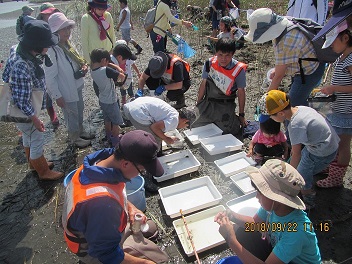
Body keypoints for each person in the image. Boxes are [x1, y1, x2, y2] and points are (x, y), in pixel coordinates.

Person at [62, 130, 168, 264]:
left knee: (151, 229)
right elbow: (107, 254)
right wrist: (144, 263)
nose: (141, 174)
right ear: (125, 164)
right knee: (161, 260)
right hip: (91, 249)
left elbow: (113, 192)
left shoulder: (99, 164)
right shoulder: (102, 204)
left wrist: (131, 208)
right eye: (142, 170)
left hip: (102, 226)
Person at [215, 159, 321, 263]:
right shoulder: (273, 208)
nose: (257, 196)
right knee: (241, 232)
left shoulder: (297, 232)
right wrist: (232, 216)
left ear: (277, 198)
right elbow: (255, 224)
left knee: (237, 236)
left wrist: (231, 241)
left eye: (260, 193)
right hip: (282, 254)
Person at [2, 20, 63, 180]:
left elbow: (4, 75)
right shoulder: (22, 65)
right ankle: (43, 171)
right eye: (45, 45)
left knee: (27, 136)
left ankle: (33, 163)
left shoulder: (17, 49)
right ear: (35, 45)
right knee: (36, 137)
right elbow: (22, 101)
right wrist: (35, 118)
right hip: (24, 110)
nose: (47, 47)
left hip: (24, 106)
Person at [259, 90, 339, 208]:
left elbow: (297, 154)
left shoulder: (295, 125)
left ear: (281, 114)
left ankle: (308, 198)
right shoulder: (300, 108)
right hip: (330, 142)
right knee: (301, 163)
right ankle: (317, 169)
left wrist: (288, 175)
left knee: (301, 176)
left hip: (321, 151)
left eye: (271, 116)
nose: (271, 119)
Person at [245, 8, 326, 107]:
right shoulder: (284, 25)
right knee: (297, 98)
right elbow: (286, 61)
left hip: (310, 71)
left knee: (294, 104)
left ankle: (303, 119)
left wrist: (266, 101)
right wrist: (277, 70)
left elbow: (278, 77)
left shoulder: (286, 40)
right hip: (301, 66)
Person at [45, 13, 94, 148]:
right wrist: (57, 95)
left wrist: (83, 66)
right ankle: (74, 137)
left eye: (68, 28)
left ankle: (80, 130)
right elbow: (49, 77)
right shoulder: (52, 50)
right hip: (65, 89)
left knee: (79, 109)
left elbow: (77, 60)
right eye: (63, 29)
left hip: (76, 84)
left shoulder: (68, 44)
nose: (67, 31)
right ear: (55, 31)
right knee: (71, 113)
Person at [316, 20, 352, 188]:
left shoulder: (350, 59)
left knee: (343, 144)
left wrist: (333, 87)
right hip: (338, 108)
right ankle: (332, 168)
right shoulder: (341, 57)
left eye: (333, 43)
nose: (331, 47)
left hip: (347, 111)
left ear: (345, 38)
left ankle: (336, 177)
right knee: (336, 141)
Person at [193, 37, 247, 137]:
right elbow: (203, 84)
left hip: (225, 104)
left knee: (228, 131)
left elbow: (241, 92)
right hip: (209, 102)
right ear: (216, 52)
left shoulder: (238, 70)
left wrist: (241, 114)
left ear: (233, 55)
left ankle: (233, 119)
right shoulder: (209, 63)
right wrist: (198, 103)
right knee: (194, 124)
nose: (223, 59)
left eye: (227, 55)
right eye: (220, 55)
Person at [123, 97, 190, 152]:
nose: (183, 127)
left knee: (157, 135)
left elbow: (159, 127)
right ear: (185, 121)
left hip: (133, 105)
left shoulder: (174, 113)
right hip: (138, 113)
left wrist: (166, 137)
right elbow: (154, 127)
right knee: (154, 140)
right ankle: (152, 157)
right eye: (186, 126)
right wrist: (166, 138)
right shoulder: (175, 121)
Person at [90, 48, 126, 147]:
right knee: (115, 122)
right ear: (103, 60)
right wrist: (117, 69)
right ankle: (116, 142)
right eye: (107, 60)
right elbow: (121, 76)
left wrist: (108, 64)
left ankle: (109, 137)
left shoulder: (92, 71)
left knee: (107, 120)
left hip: (102, 99)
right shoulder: (105, 70)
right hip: (111, 101)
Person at [37, 2, 61, 128]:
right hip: (43, 62)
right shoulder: (39, 29)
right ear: (42, 16)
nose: (51, 15)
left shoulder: (56, 25)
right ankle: (52, 116)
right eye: (48, 14)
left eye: (52, 13)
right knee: (47, 92)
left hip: (56, 60)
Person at [111, 42, 141, 108]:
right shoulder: (112, 67)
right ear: (119, 57)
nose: (126, 61)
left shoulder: (113, 62)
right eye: (126, 59)